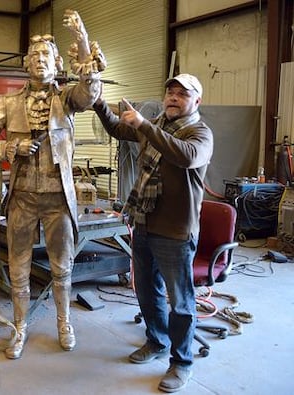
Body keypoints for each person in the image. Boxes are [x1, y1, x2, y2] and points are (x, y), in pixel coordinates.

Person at [0, 9, 105, 359]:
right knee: (19, 268)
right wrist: (8, 148)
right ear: (27, 63)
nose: (40, 61)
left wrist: (82, 39)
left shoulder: (66, 99)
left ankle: (64, 322)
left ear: (56, 61)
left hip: (59, 198)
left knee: (62, 268)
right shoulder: (9, 103)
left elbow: (90, 93)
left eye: (46, 55)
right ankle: (19, 328)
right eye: (35, 56)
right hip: (23, 199)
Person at [92, 73, 213, 393]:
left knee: (181, 302)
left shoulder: (200, 133)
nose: (173, 97)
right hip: (144, 220)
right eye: (170, 92)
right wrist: (99, 102)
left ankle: (182, 362)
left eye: (182, 94)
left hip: (175, 230)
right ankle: (157, 340)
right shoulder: (155, 126)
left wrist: (145, 125)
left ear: (196, 101)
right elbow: (119, 130)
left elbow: (185, 156)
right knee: (146, 291)